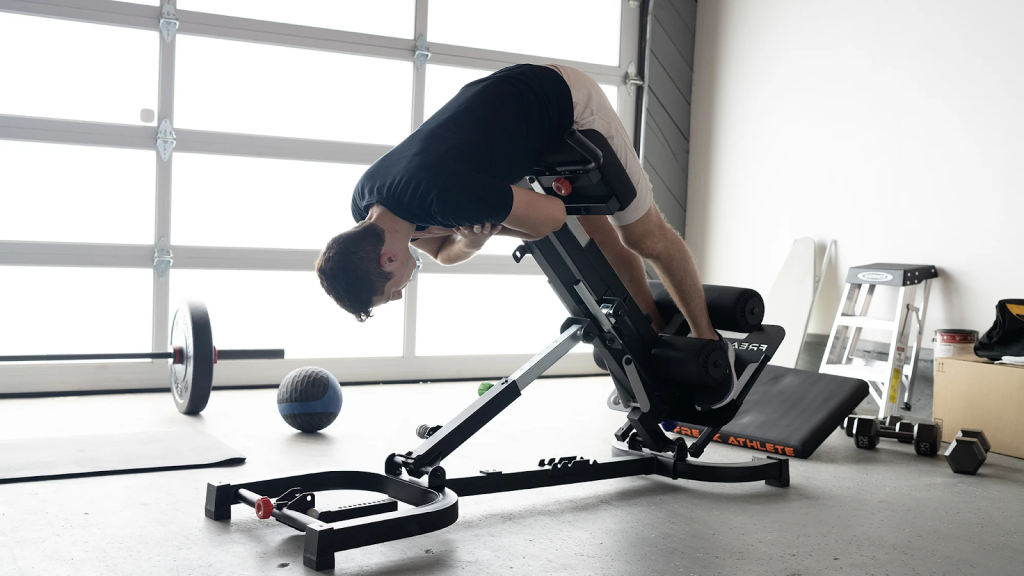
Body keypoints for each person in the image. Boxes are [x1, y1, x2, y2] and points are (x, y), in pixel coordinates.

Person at [316, 64, 731, 370]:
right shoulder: (366, 207)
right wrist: (474, 239)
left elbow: (553, 218)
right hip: (510, 120)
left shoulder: (445, 196)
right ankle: (653, 332)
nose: (399, 295)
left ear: (387, 259)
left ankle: (709, 342)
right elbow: (444, 253)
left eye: (390, 294)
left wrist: (489, 220)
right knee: (600, 238)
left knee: (643, 237)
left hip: (563, 100)